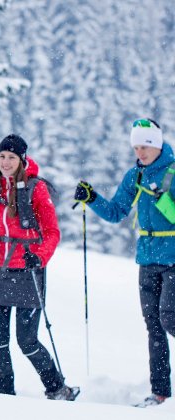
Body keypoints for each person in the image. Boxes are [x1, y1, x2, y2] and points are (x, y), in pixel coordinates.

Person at [0, 134, 78, 400]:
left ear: (22, 160)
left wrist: (39, 257)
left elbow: (52, 232)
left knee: (27, 341)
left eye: (12, 157)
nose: (6, 162)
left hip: (28, 272)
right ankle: (4, 395)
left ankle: (56, 388)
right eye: (2, 157)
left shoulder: (36, 188)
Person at [74, 118, 175, 407]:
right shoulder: (135, 176)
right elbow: (117, 212)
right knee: (154, 325)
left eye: (144, 146)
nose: (139, 152)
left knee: (170, 317)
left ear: (156, 144)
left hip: (174, 257)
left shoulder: (173, 171)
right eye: (135, 146)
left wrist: (165, 201)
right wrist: (92, 198)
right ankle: (160, 393)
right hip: (147, 258)